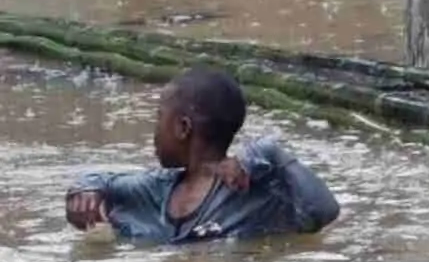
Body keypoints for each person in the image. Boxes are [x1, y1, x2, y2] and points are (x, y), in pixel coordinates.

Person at [65, 67, 341, 244]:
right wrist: (85, 190)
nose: (154, 132)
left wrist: (271, 152)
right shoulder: (156, 188)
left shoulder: (253, 193)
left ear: (183, 128)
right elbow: (102, 181)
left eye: (159, 118)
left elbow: (324, 212)